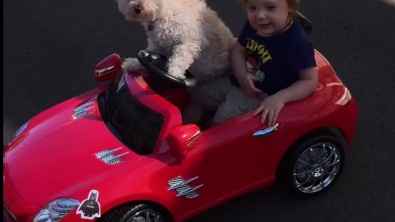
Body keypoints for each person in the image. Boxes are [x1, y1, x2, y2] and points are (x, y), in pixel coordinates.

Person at [191, 0, 318, 127]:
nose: (260, 15)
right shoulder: (255, 25)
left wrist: (280, 98)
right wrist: (242, 75)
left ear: (290, 6)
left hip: (260, 95)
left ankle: (205, 142)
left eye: (271, 7)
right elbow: (238, 50)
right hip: (237, 81)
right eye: (252, 8)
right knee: (199, 97)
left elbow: (310, 80)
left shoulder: (297, 43)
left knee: (219, 124)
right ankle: (178, 137)